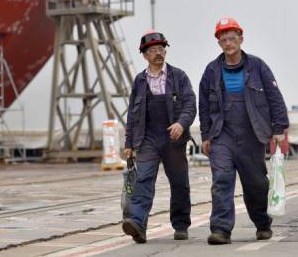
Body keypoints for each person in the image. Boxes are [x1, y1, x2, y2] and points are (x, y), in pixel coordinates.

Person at [199, 17, 289, 245]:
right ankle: (220, 229)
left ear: (241, 39)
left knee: (256, 184)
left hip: (252, 135)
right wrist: (206, 136)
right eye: (223, 39)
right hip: (222, 135)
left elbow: (274, 98)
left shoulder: (258, 66)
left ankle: (262, 224)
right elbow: (204, 105)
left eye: (232, 38)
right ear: (218, 42)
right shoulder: (211, 70)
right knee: (221, 179)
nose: (228, 43)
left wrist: (279, 128)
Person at [122, 30, 196, 243]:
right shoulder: (139, 81)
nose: (158, 53)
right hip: (147, 139)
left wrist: (181, 124)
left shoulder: (179, 76)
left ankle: (181, 225)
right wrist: (129, 142)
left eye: (161, 49)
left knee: (179, 182)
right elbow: (132, 115)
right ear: (145, 55)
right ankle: (137, 224)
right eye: (153, 50)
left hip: (174, 139)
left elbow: (190, 104)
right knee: (143, 180)